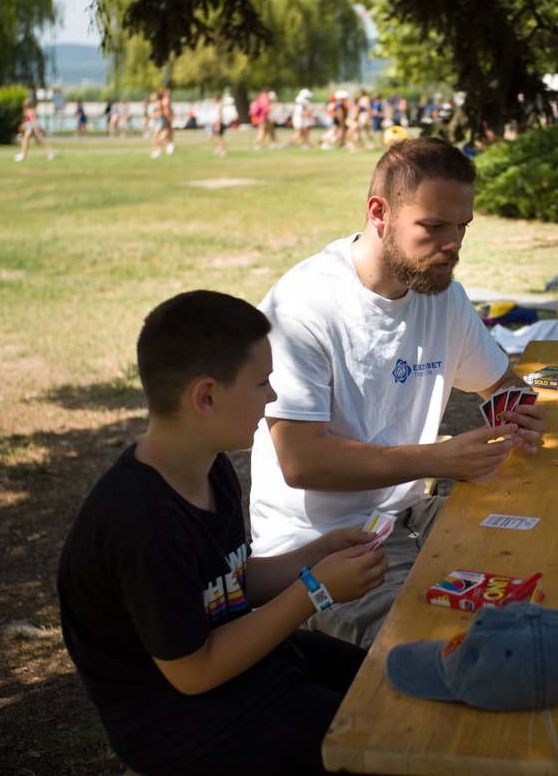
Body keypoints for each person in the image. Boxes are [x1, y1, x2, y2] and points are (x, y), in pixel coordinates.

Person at [58, 290, 388, 775]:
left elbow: (232, 580)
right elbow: (194, 671)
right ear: (207, 396)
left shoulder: (209, 468)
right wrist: (315, 592)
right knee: (381, 744)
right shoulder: (143, 526)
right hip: (187, 727)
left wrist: (315, 555)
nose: (273, 396)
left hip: (250, 670)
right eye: (261, 382)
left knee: (391, 688)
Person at [248, 137, 547, 648]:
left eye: (462, 228)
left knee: (550, 571)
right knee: (450, 649)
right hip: (323, 553)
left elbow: (501, 384)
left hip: (411, 522)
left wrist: (518, 412)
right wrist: (439, 459)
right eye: (433, 227)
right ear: (379, 213)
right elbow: (302, 462)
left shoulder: (440, 291)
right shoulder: (304, 306)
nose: (452, 244)